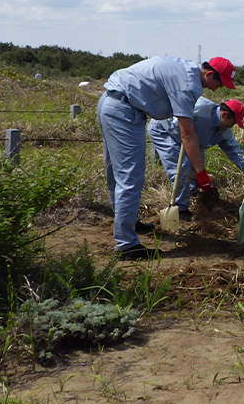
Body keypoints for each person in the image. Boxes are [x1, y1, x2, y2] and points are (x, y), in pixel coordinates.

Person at [97, 56, 236, 260]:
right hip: (125, 112)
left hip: (110, 102)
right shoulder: (188, 85)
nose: (217, 89)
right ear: (209, 74)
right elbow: (187, 134)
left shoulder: (185, 68)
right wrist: (201, 175)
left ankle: (126, 222)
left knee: (114, 173)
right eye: (219, 82)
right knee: (130, 177)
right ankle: (127, 245)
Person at [148, 97, 244, 220]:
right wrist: (199, 171)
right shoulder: (199, 109)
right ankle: (181, 208)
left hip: (192, 141)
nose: (231, 127)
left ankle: (190, 191)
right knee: (182, 168)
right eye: (233, 123)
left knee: (195, 167)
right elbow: (183, 132)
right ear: (224, 114)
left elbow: (236, 152)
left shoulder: (224, 131)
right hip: (165, 131)